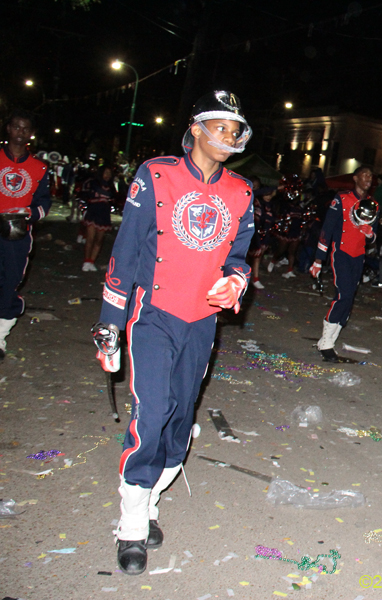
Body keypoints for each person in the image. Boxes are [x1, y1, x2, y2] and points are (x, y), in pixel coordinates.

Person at [92, 91, 255, 575]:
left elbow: (239, 255)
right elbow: (125, 248)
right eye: (219, 127)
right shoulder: (156, 173)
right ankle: (132, 524)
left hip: (201, 321)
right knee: (153, 411)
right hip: (153, 313)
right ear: (197, 128)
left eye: (235, 129)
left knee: (181, 421)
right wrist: (110, 322)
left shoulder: (243, 191)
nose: (227, 137)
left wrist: (235, 280)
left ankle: (151, 502)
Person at [310, 166, 377, 362]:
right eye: (365, 174)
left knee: (349, 299)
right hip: (341, 252)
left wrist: (370, 233)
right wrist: (318, 259)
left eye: (371, 175)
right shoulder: (341, 198)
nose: (368, 178)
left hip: (359, 255)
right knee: (343, 295)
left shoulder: (373, 204)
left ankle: (329, 339)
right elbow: (327, 228)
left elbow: (375, 236)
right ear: (355, 178)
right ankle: (326, 344)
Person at [0, 110, 52, 360]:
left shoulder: (39, 168)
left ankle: (0, 336)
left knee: (10, 281)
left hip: (16, 235)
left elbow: (44, 204)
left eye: (25, 128)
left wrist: (28, 213)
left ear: (30, 133)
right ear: (8, 129)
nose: (20, 132)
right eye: (15, 127)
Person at [80, 165, 116, 271]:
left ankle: (92, 261)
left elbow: (114, 200)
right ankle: (86, 261)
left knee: (99, 240)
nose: (107, 175)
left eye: (109, 173)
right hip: (93, 213)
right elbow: (85, 195)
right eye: (106, 173)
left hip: (104, 215)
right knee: (90, 238)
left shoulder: (112, 187)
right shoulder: (93, 183)